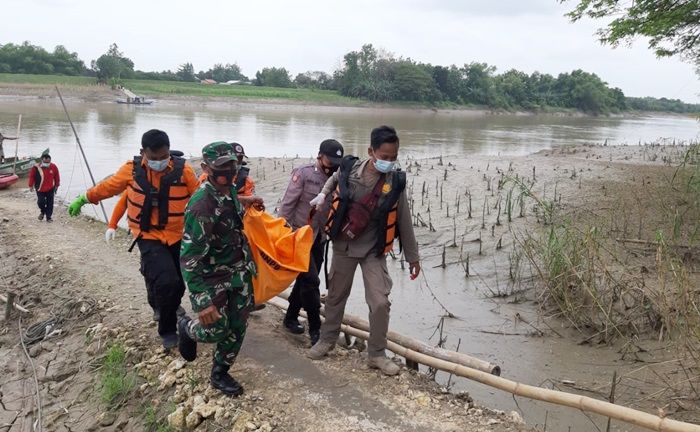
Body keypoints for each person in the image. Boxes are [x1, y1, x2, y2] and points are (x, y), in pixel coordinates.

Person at [68, 129, 200, 349]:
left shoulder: (183, 170)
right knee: (168, 281)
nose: (159, 161)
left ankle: (164, 304)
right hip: (147, 235)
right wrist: (84, 198)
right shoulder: (131, 170)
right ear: (143, 152)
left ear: (169, 153)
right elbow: (108, 188)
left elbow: (199, 197)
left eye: (164, 157)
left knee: (178, 285)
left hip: (177, 235)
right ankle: (167, 329)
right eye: (154, 158)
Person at [307, 125, 421, 376]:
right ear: (371, 151)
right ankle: (327, 340)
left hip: (373, 250)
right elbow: (333, 179)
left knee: (380, 302)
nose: (389, 162)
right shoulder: (349, 170)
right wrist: (323, 195)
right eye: (384, 157)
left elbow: (404, 220)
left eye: (394, 157)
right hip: (344, 245)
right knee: (336, 296)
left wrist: (413, 257)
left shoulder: (395, 182)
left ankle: (376, 354)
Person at [177, 141, 264, 397]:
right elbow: (189, 258)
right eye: (221, 167)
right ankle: (188, 329)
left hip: (238, 272)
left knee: (238, 326)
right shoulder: (201, 205)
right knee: (216, 328)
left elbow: (230, 204)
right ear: (206, 167)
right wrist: (202, 301)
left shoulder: (227, 190)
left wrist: (248, 200)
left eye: (232, 166)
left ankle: (220, 373)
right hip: (213, 276)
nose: (228, 172)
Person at [278, 139, 344, 345]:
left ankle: (290, 317)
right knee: (312, 281)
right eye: (329, 159)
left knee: (304, 281)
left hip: (320, 238)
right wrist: (281, 232)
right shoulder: (304, 174)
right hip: (299, 236)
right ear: (320, 155)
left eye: (336, 161)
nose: (332, 164)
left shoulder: (339, 177)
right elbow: (288, 204)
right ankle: (315, 328)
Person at [28, 153, 60, 222]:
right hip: (39, 188)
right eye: (45, 162)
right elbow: (32, 176)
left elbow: (57, 176)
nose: (47, 163)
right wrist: (31, 185)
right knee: (40, 202)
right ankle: (43, 211)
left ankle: (49, 217)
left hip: (50, 188)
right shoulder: (36, 167)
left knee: (50, 203)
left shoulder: (53, 166)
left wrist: (57, 185)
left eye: (48, 162)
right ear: (42, 160)